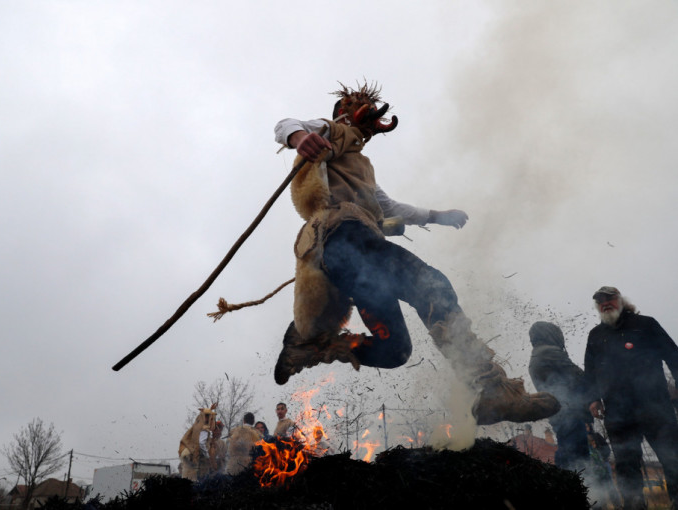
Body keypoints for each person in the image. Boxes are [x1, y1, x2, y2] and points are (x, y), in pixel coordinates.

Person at [272, 81, 559, 425]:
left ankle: (315, 347)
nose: (364, 115)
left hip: (355, 257)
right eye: (355, 106)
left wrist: (438, 217)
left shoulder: (359, 164)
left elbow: (390, 206)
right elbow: (284, 125)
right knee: (431, 285)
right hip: (345, 241)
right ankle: (490, 389)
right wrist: (299, 138)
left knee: (395, 351)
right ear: (341, 113)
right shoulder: (330, 131)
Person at [584, 286, 678, 509]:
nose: (605, 303)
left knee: (672, 457)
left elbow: (672, 354)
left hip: (655, 405)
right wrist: (593, 399)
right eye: (601, 301)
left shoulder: (646, 324)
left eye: (610, 299)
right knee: (626, 466)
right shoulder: (595, 336)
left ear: (621, 301)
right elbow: (590, 371)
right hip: (617, 412)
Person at [528, 321, 592, 471]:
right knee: (576, 456)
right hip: (569, 413)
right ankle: (578, 487)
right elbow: (577, 376)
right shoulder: (549, 352)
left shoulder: (537, 354)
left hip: (559, 413)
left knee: (567, 450)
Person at [178, 404, 217, 482]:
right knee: (192, 478)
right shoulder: (204, 428)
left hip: (187, 453)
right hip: (192, 455)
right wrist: (207, 456)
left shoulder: (197, 425)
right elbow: (201, 443)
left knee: (187, 474)